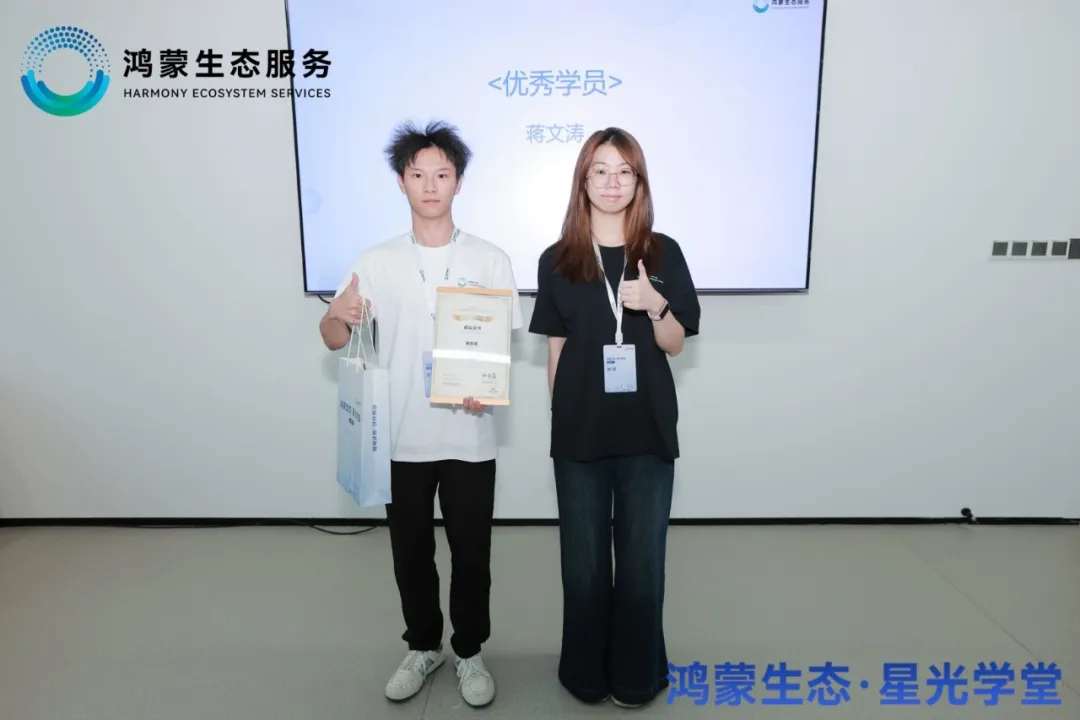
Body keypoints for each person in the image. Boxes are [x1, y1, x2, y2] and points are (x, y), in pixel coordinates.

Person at [319, 120, 523, 708]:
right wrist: (339, 315)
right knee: (410, 553)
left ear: (459, 182)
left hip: (469, 435)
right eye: (418, 175)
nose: (430, 186)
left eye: (442, 174)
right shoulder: (375, 261)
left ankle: (470, 651)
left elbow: (500, 347)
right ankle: (423, 645)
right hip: (400, 435)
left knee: (472, 554)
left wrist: (485, 385)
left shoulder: (490, 259)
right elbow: (332, 337)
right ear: (401, 182)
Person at [528, 127, 700, 708]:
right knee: (582, 567)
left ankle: (636, 676)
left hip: (646, 429)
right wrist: (560, 421)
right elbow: (555, 350)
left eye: (624, 171)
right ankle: (585, 674)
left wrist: (656, 305)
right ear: (583, 180)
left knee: (643, 563)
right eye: (599, 170)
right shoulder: (557, 259)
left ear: (639, 182)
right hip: (580, 431)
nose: (611, 182)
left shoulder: (663, 252)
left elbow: (675, 343)